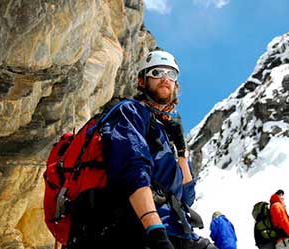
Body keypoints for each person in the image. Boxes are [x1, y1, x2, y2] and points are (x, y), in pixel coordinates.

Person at [67, 50, 216, 249]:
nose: (165, 78)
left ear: (176, 84)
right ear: (142, 81)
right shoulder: (130, 111)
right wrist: (154, 229)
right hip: (138, 228)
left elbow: (186, 197)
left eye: (171, 74)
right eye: (156, 72)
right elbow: (132, 168)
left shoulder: (168, 134)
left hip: (180, 232)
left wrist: (181, 152)